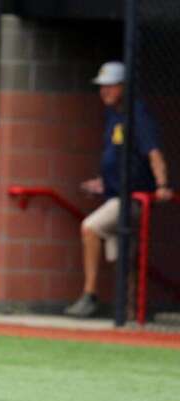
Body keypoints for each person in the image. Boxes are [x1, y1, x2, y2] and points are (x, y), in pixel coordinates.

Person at [65, 61, 172, 318]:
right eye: (102, 86)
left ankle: (90, 295)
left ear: (124, 86)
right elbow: (120, 159)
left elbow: (153, 154)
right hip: (116, 195)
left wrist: (162, 185)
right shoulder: (114, 116)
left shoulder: (137, 115)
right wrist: (103, 183)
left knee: (90, 228)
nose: (105, 91)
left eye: (110, 86)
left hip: (133, 199)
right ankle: (132, 310)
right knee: (123, 258)